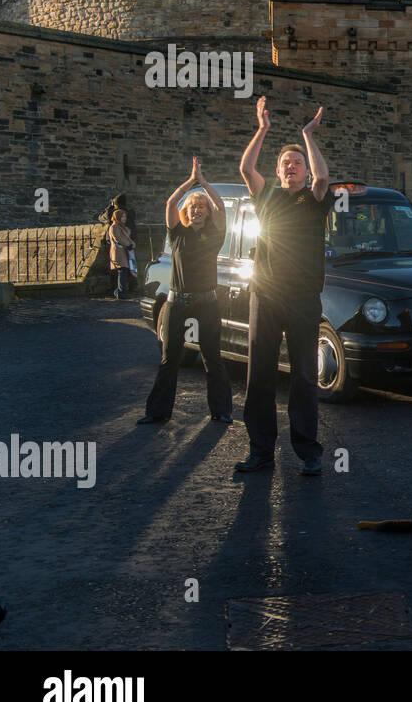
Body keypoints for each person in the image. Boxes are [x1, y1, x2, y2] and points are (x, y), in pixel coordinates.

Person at [235, 97, 335, 476]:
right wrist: (262, 129)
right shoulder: (266, 197)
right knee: (258, 375)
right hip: (265, 294)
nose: (291, 167)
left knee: (304, 376)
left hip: (303, 299)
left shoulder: (314, 200)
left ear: (305, 172)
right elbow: (246, 167)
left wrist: (307, 135)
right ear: (277, 172)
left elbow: (324, 177)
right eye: (285, 164)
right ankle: (260, 452)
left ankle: (308, 452)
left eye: (297, 164)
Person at [139, 157, 233, 424]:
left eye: (201, 206)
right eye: (193, 206)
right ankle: (157, 413)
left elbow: (221, 207)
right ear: (186, 211)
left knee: (212, 359)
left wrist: (204, 184)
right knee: (170, 359)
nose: (197, 210)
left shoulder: (215, 234)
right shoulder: (177, 233)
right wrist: (190, 183)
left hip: (207, 302)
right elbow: (170, 204)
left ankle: (221, 412)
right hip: (177, 302)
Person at [107, 208, 136, 300]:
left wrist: (131, 243)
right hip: (119, 252)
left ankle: (119, 291)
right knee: (122, 271)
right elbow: (118, 238)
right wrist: (128, 245)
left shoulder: (122, 227)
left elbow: (126, 237)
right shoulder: (114, 227)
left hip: (124, 252)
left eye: (125, 217)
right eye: (122, 217)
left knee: (124, 272)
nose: (124, 218)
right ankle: (121, 292)